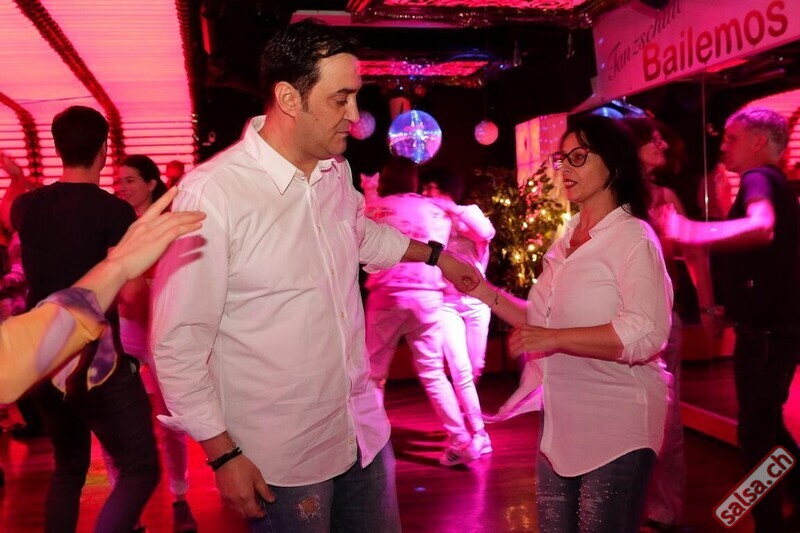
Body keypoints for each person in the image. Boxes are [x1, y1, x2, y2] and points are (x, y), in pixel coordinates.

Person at [150, 19, 479, 533]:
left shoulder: (334, 171)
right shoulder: (214, 193)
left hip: (362, 432)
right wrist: (222, 453)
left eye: (356, 97)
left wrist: (437, 256)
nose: (354, 115)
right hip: (282, 457)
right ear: (288, 98)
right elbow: (178, 340)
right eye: (340, 99)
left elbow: (360, 235)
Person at [468, 115, 672, 532]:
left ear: (613, 163)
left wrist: (552, 337)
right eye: (562, 159)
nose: (565, 169)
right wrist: (481, 290)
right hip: (562, 419)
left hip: (618, 423)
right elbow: (540, 322)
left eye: (579, 157)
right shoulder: (568, 237)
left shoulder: (633, 238)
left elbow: (647, 331)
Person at [11, 105, 161, 533]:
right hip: (97, 362)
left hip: (44, 359)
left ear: (57, 148)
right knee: (140, 468)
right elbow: (130, 292)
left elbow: (15, 211)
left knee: (68, 468)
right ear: (104, 149)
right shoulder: (114, 212)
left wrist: (18, 177)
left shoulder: (26, 207)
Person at [666, 106, 800, 533]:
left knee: (756, 432)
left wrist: (692, 230)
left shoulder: (760, 177)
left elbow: (762, 227)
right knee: (765, 426)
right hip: (770, 330)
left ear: (759, 142)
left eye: (731, 137)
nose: (722, 146)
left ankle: (769, 523)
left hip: (767, 334)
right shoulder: (770, 182)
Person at [0, 188, 203, 403]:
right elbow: (10, 366)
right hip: (96, 348)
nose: (124, 187)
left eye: (130, 181)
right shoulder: (114, 212)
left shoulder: (41, 206)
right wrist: (118, 267)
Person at [363, 158, 490, 466]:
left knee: (374, 375)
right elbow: (484, 232)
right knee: (433, 372)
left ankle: (373, 446)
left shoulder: (377, 207)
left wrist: (369, 191)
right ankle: (461, 439)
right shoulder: (435, 208)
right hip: (428, 297)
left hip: (388, 295)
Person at [624, 116, 716, 532]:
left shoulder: (664, 198)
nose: (662, 144)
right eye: (652, 139)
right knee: (624, 418)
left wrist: (708, 308)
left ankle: (665, 508)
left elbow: (694, 255)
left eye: (661, 137)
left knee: (666, 417)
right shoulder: (611, 198)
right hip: (618, 323)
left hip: (661, 320)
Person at [114, 154, 197, 532]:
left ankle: (180, 496)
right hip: (128, 328)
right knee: (120, 418)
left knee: (169, 419)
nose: (122, 187)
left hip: (162, 327)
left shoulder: (169, 223)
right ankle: (126, 509)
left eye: (130, 180)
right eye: (119, 180)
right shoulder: (115, 223)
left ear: (151, 183)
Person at [420, 167, 496, 380]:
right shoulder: (430, 222)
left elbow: (486, 233)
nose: (425, 193)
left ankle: (468, 400)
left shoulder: (468, 212)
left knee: (475, 366)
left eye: (430, 187)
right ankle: (464, 402)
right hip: (447, 302)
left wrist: (450, 209)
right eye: (423, 188)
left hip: (477, 300)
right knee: (458, 366)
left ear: (446, 189)